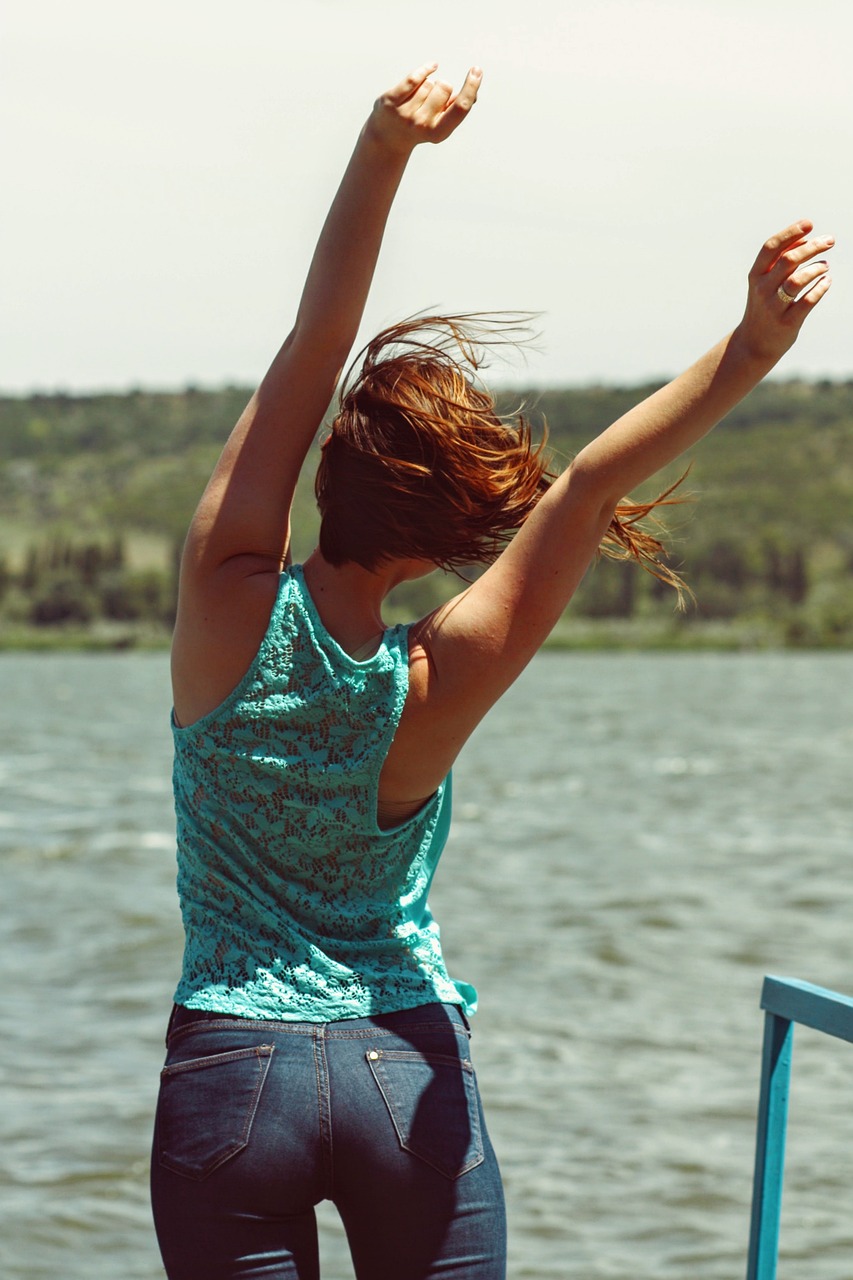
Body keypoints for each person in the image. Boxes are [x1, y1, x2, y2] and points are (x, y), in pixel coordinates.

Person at [150, 62, 833, 1280]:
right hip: (401, 1060)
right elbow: (587, 488)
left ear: (328, 478)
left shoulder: (222, 602)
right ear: (432, 541)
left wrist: (382, 146)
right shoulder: (434, 679)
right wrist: (747, 347)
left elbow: (317, 342)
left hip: (228, 1070)